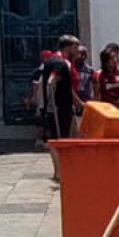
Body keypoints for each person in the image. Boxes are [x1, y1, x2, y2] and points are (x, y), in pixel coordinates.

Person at [42, 35, 82, 182]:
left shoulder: (51, 61)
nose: (78, 50)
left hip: (61, 107)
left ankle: (64, 169)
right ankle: (60, 172)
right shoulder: (60, 63)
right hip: (60, 108)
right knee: (59, 139)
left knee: (66, 138)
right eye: (75, 47)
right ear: (68, 47)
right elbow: (52, 81)